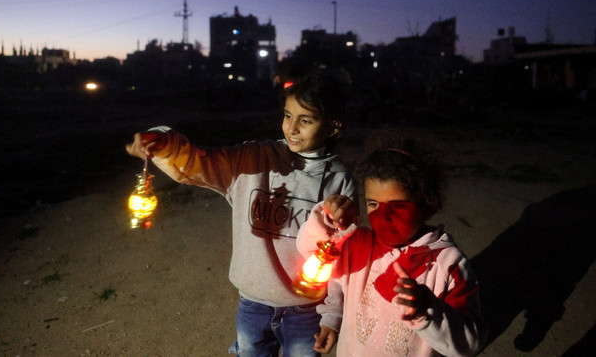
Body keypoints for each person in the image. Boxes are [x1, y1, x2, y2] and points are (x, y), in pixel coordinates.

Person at [126, 73, 358, 357]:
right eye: (287, 115)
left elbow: (342, 257)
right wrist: (163, 143)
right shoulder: (253, 159)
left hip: (307, 311)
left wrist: (332, 315)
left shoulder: (340, 182)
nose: (292, 128)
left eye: (306, 120)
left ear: (333, 126)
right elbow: (200, 163)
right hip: (252, 305)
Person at [297, 136, 487, 356]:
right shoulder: (359, 245)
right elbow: (312, 254)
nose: (383, 217)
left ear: (429, 204)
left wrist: (427, 310)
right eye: (373, 203)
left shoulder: (448, 264)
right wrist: (327, 223)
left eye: (397, 206)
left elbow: (470, 343)